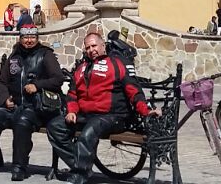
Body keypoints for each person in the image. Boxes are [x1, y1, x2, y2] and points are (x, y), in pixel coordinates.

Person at [47, 32, 159, 184]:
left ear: (103, 46)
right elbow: (72, 94)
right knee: (55, 127)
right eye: (88, 47)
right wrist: (72, 111)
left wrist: (146, 111)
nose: (91, 50)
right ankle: (81, 165)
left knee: (88, 132)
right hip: (86, 115)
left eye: (94, 46)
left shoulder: (118, 63)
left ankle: (80, 174)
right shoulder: (81, 67)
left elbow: (134, 91)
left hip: (114, 116)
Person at [0, 23, 63, 180]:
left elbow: (58, 79)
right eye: (25, 37)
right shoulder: (14, 57)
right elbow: (2, 82)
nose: (29, 40)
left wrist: (37, 85)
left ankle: (19, 167)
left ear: (37, 38)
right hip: (14, 106)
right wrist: (5, 99)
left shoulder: (45, 55)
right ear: (20, 38)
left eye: (32, 37)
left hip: (35, 108)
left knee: (22, 121)